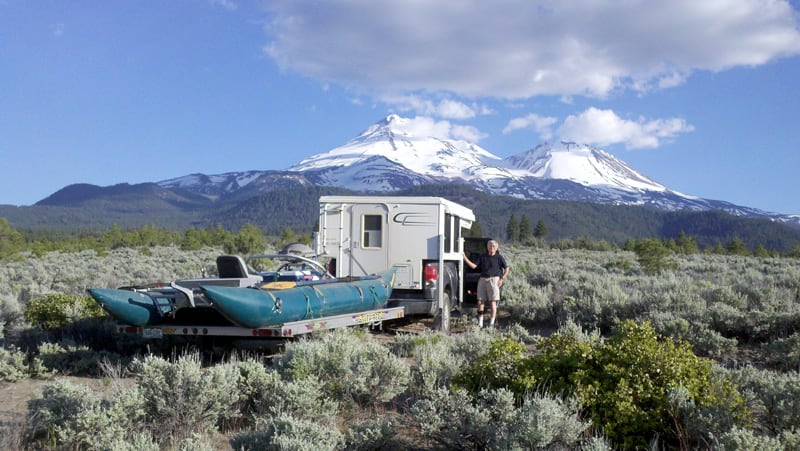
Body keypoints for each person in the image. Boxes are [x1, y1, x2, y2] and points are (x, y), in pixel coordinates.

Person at [463, 239, 510, 328]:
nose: (491, 248)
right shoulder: (483, 256)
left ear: (496, 248)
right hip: (483, 279)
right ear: (487, 247)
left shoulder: (499, 257)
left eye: (493, 246)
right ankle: (480, 322)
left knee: (492, 302)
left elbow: (507, 268)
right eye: (490, 246)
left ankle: (491, 323)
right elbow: (474, 266)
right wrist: (464, 257)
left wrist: (502, 278)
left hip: (494, 280)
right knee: (480, 301)